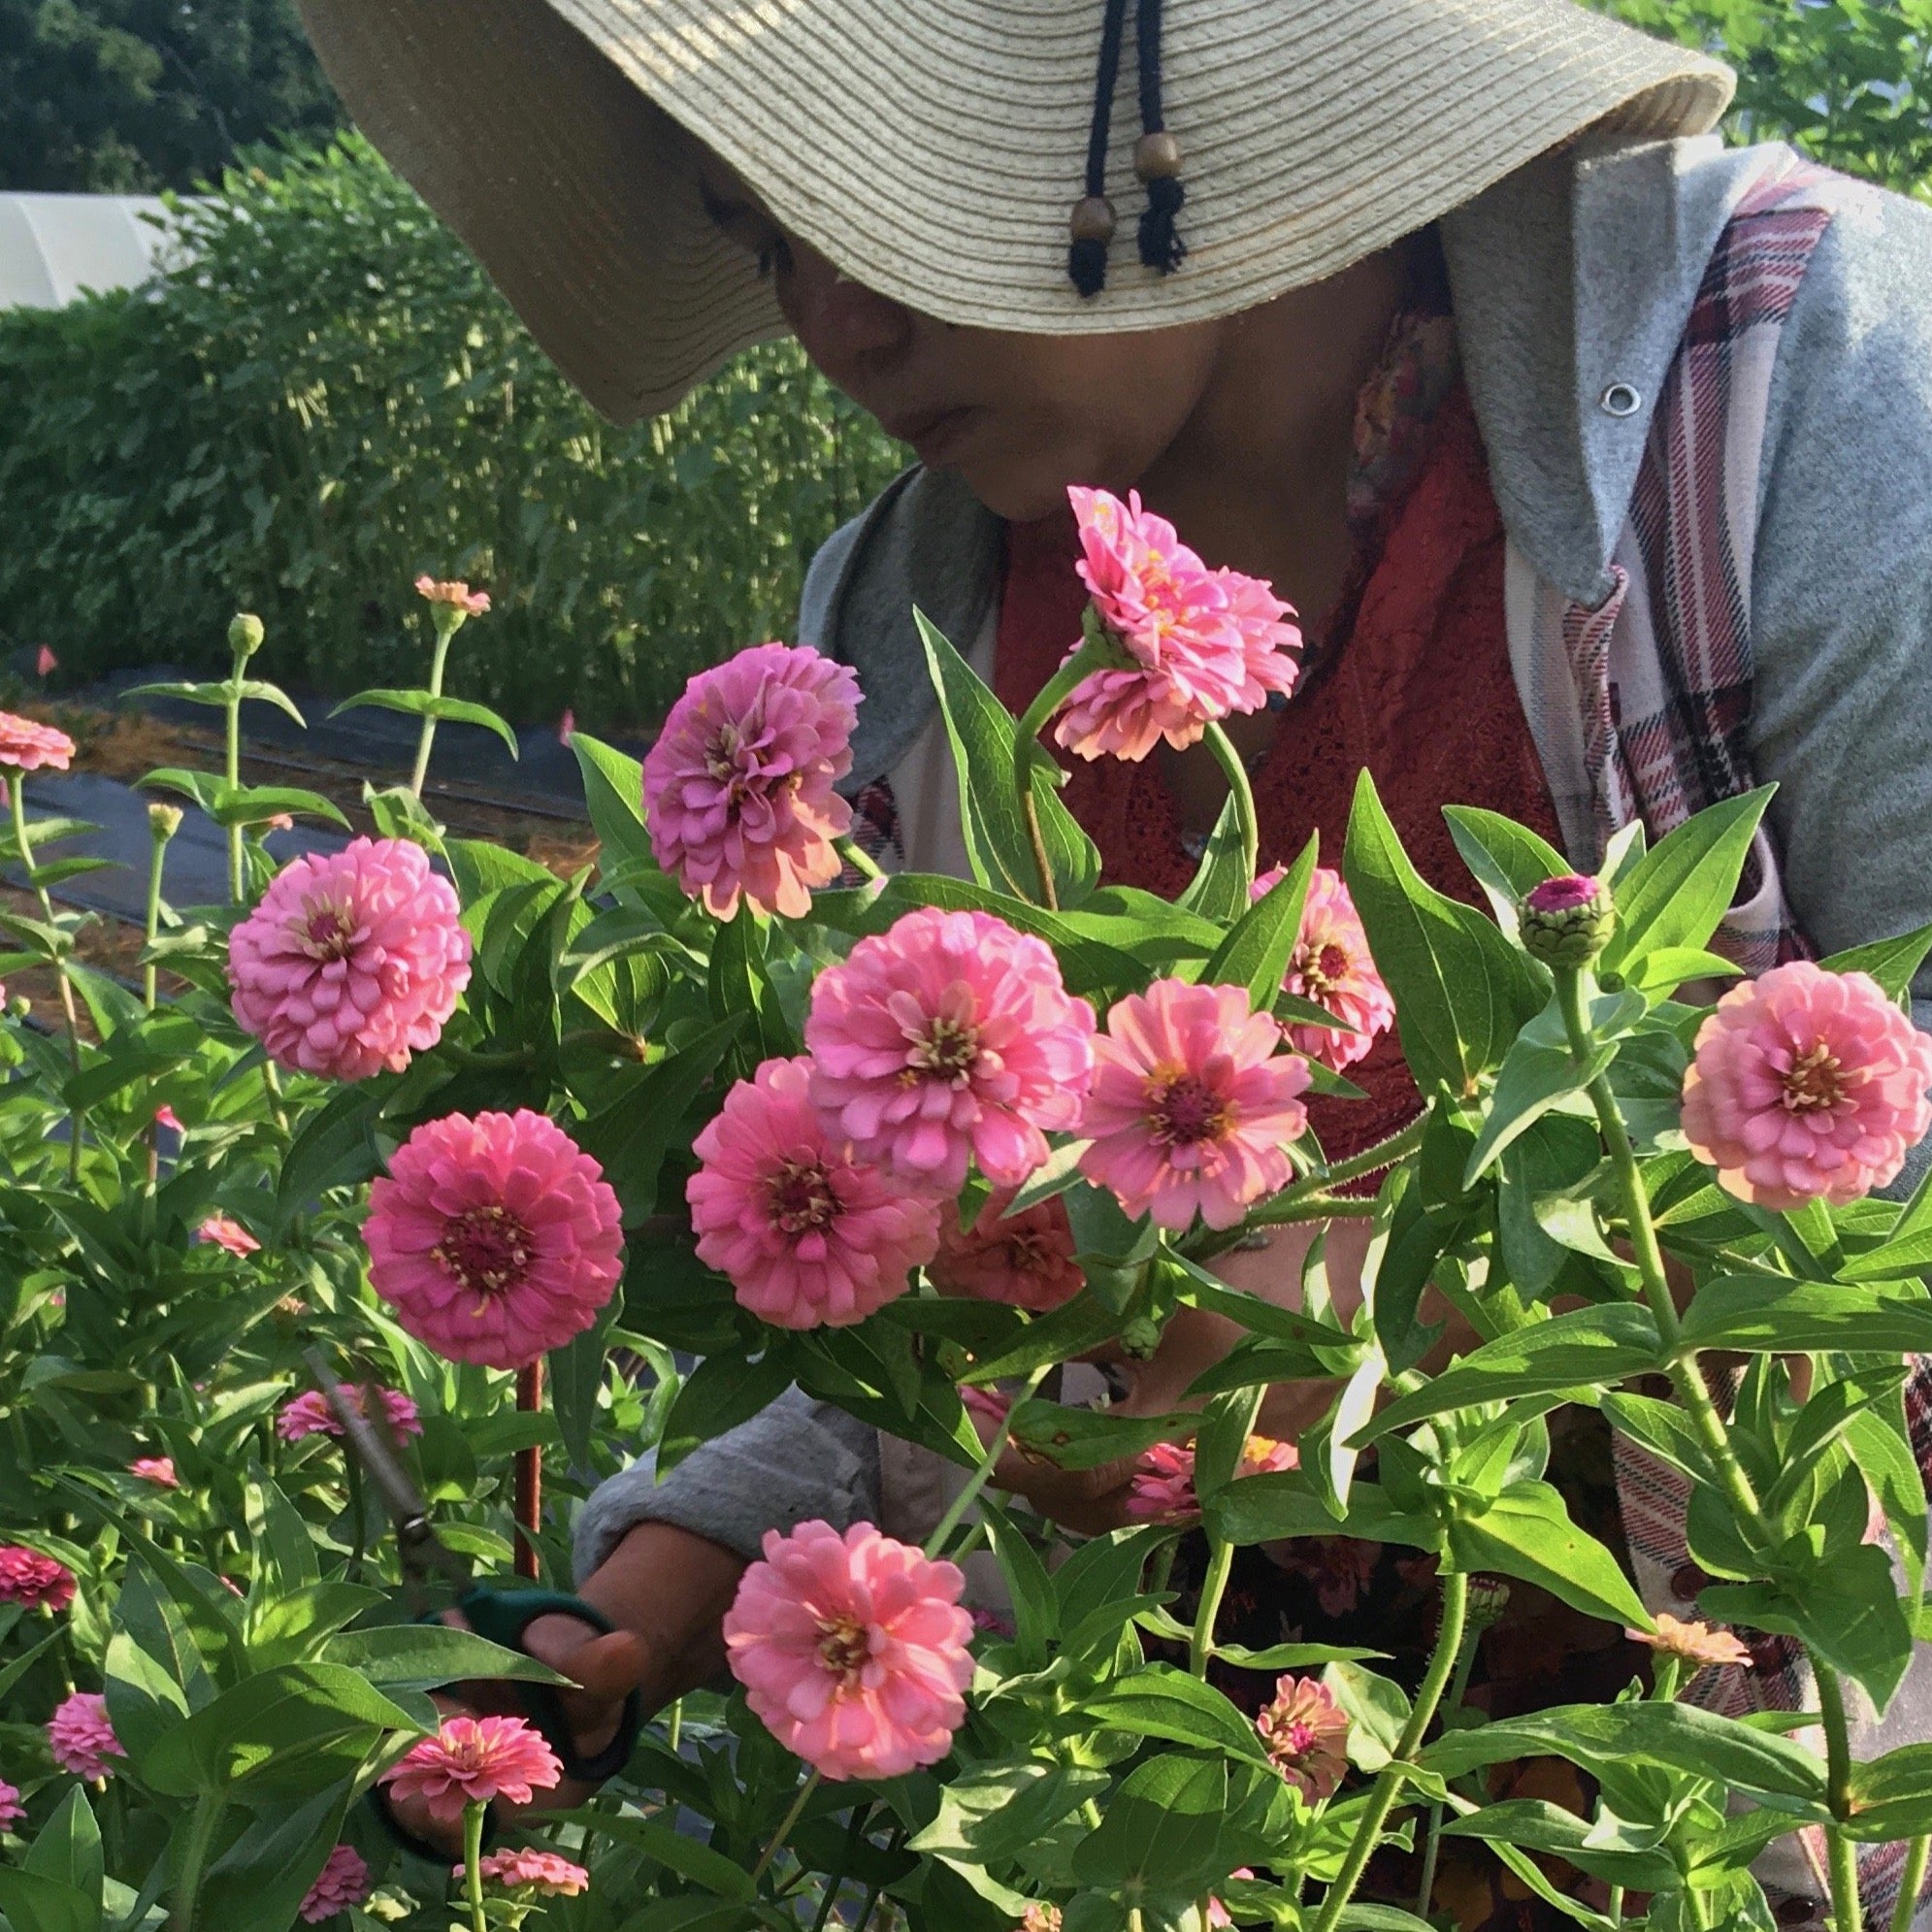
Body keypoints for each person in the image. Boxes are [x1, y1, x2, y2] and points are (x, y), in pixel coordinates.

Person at [298, 0, 1932, 1916]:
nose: (835, 325)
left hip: (1737, 1806)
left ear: (1180, 90)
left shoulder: (1785, 389)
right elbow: (928, 1329)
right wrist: (637, 1598)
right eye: (764, 227)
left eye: (881, 185)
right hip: (1176, 1832)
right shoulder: (911, 636)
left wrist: (1400, 1281)